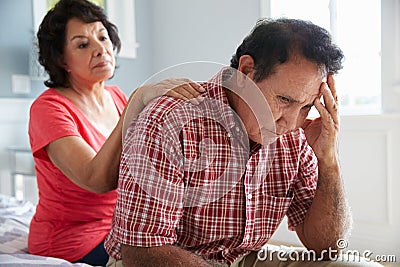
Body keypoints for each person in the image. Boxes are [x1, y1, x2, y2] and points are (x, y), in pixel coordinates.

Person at [104, 18, 383, 267]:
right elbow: (142, 250)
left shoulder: (296, 134)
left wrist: (328, 160)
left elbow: (327, 247)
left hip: (243, 257)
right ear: (247, 71)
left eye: (307, 106)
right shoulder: (170, 119)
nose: (290, 122)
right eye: (284, 100)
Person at [27, 0, 203, 266]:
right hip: (73, 241)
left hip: (121, 227)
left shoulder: (116, 97)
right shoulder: (48, 108)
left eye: (103, 37)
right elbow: (95, 179)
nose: (100, 49)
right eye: (83, 44)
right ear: (62, 59)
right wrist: (137, 101)